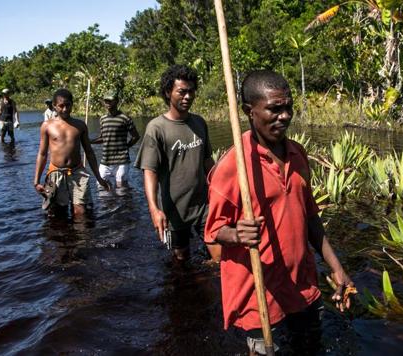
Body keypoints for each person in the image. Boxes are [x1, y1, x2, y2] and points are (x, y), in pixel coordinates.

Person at [204, 70, 355, 355]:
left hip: (302, 284)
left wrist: (337, 267)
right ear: (250, 112)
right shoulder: (233, 165)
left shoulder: (297, 153)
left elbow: (310, 218)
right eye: (275, 109)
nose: (284, 116)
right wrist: (236, 234)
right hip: (259, 293)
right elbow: (213, 231)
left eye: (288, 108)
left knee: (310, 347)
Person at [135, 64, 219, 263]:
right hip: (174, 211)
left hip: (203, 206)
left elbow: (208, 162)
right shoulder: (156, 128)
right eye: (182, 92)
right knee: (181, 261)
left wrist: (223, 189)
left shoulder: (199, 123)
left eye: (191, 91)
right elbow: (150, 171)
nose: (188, 97)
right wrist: (154, 210)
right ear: (168, 92)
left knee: (219, 258)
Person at [34, 88, 110, 218]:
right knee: (58, 213)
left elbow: (89, 152)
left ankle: (82, 238)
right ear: (54, 106)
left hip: (77, 172)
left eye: (67, 105)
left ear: (72, 104)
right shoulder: (47, 126)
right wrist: (36, 181)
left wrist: (99, 178)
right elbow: (42, 154)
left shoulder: (80, 125)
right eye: (61, 106)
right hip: (56, 173)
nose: (64, 109)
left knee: (81, 212)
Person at [91, 90, 140, 189]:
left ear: (117, 101)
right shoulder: (103, 119)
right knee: (101, 186)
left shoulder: (125, 118)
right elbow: (103, 138)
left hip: (122, 161)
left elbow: (136, 136)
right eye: (106, 101)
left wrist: (126, 146)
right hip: (106, 161)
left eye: (110, 100)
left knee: (121, 188)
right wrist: (89, 141)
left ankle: (124, 204)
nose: (107, 103)